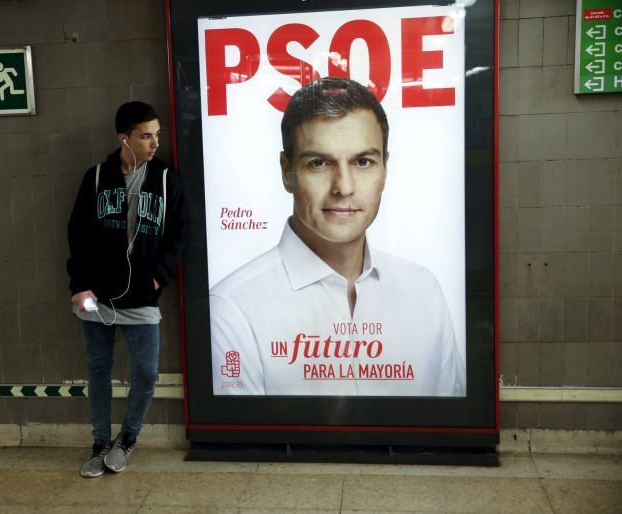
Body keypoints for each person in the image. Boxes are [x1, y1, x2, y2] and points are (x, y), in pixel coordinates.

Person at [209, 77, 464, 397]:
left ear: (385, 169)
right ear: (287, 172)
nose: (343, 187)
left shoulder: (425, 291)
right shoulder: (232, 310)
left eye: (362, 162)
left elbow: (445, 430)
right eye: (319, 162)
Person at [67, 101, 187, 478]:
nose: (155, 143)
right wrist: (79, 285)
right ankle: (100, 442)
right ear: (125, 138)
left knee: (146, 372)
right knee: (99, 369)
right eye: (145, 136)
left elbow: (180, 233)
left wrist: (159, 276)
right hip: (97, 296)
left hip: (142, 297)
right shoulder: (98, 177)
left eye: (157, 134)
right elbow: (78, 234)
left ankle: (128, 438)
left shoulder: (167, 179)